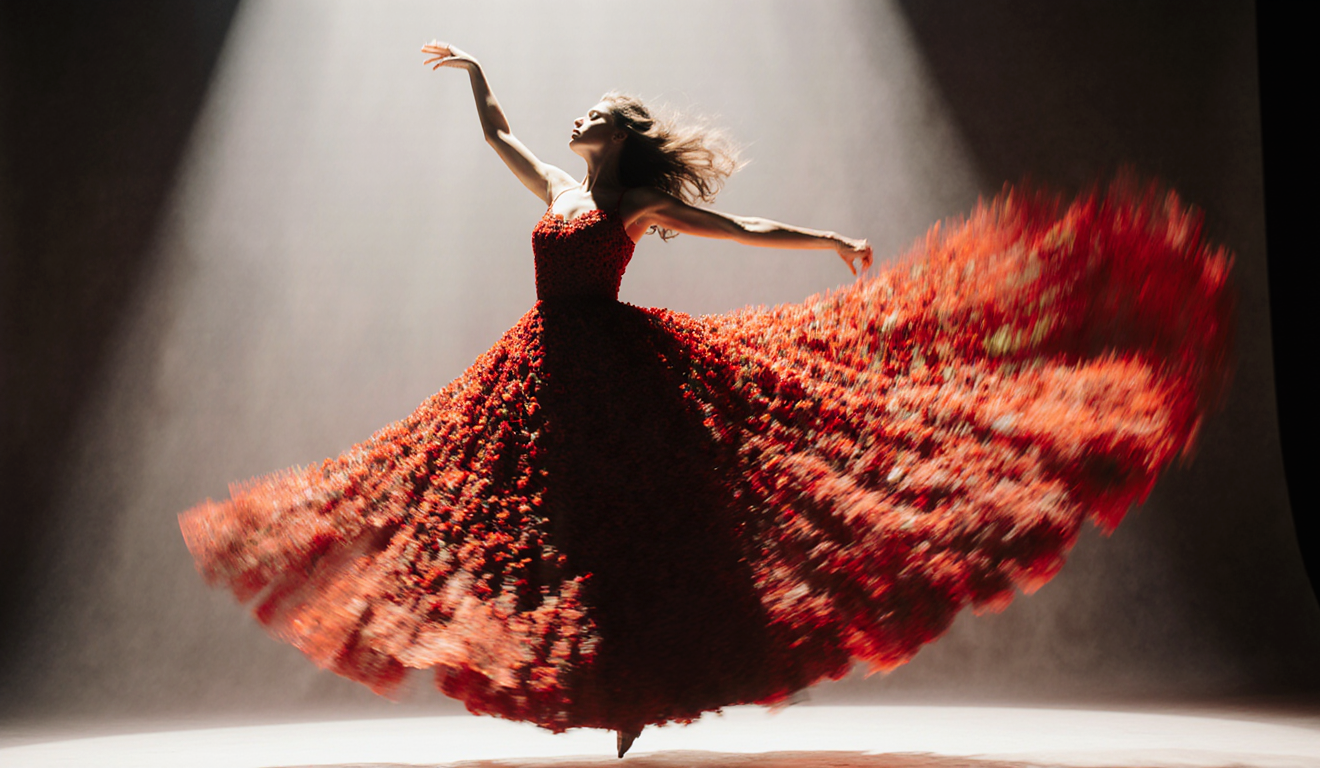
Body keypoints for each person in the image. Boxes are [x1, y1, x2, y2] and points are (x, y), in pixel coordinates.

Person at [180, 41, 1233, 760]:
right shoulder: (558, 188)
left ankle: (639, 687)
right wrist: (475, 72)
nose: (577, 113)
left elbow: (742, 230)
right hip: (544, 364)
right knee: (506, 512)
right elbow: (499, 136)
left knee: (645, 521)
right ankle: (615, 686)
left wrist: (823, 242)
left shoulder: (636, 199)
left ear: (619, 135)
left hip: (615, 365)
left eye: (595, 111)